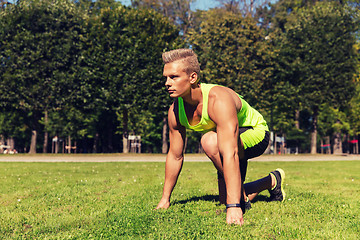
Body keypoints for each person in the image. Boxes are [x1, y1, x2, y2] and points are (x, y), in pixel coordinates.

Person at [155, 49, 286, 225]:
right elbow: (175, 155)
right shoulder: (175, 110)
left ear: (192, 77)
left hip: (256, 133)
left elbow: (230, 152)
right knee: (227, 196)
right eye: (166, 77)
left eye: (173, 77)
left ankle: (240, 198)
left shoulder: (219, 99)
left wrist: (233, 207)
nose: (167, 83)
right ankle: (272, 180)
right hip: (224, 141)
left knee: (209, 141)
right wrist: (165, 199)